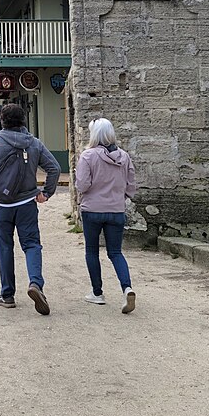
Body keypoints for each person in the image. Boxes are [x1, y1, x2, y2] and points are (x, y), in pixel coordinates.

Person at [0, 103, 60, 316]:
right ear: (24, 121)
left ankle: (7, 294)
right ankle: (36, 284)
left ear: (1, 121)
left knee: (5, 247)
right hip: (26, 203)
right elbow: (54, 168)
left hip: (0, 204)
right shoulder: (34, 143)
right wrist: (46, 193)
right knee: (31, 245)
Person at [75, 118, 137, 314]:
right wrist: (121, 196)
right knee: (115, 252)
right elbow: (131, 185)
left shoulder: (87, 156)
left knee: (92, 251)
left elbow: (82, 185)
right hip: (116, 210)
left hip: (92, 209)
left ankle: (97, 293)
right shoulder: (124, 157)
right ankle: (127, 287)